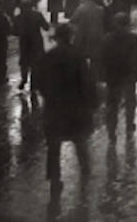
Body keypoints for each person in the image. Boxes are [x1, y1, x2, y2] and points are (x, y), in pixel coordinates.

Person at [38, 24, 97, 198]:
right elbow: (87, 82)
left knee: (54, 147)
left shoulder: (48, 56)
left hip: (54, 109)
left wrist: (49, 97)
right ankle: (85, 172)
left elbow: (40, 82)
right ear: (70, 36)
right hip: (75, 108)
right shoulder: (77, 56)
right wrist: (92, 102)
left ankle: (55, 180)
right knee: (80, 141)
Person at [101, 12, 137, 142]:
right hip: (129, 76)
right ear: (127, 24)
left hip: (113, 77)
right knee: (130, 102)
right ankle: (129, 125)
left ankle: (111, 132)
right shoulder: (133, 38)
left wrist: (101, 76)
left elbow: (101, 59)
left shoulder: (107, 39)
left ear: (115, 24)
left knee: (112, 106)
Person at [14, 0, 49, 92]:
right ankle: (34, 85)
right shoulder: (37, 15)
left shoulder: (18, 17)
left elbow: (14, 31)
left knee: (24, 62)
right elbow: (46, 27)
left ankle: (24, 80)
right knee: (35, 64)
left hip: (24, 43)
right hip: (36, 43)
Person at [70, 0, 106, 82]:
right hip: (97, 36)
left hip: (83, 36)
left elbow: (73, 20)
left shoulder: (80, 8)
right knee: (95, 57)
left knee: (81, 56)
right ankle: (95, 76)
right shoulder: (100, 9)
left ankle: (84, 76)